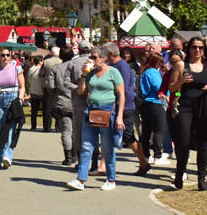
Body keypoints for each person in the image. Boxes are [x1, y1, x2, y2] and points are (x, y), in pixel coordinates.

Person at [66, 45, 125, 192]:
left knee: (107, 147)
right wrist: (83, 75)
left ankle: (111, 180)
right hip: (91, 111)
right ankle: (80, 179)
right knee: (86, 146)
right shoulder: (91, 73)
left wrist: (119, 116)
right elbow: (81, 91)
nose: (91, 60)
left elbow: (121, 94)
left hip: (108, 111)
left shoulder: (113, 72)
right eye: (90, 57)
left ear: (103, 58)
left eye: (94, 57)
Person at [168, 37, 207, 191]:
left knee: (203, 143)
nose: (197, 50)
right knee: (183, 143)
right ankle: (179, 172)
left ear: (204, 50)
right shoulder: (181, 65)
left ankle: (201, 180)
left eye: (201, 47)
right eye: (194, 47)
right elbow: (172, 88)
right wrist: (181, 81)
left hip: (203, 106)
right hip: (185, 106)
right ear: (188, 49)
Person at [105, 42, 150, 176]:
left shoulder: (122, 67)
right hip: (116, 106)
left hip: (125, 107)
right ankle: (103, 166)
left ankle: (143, 163)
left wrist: (120, 108)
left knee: (129, 136)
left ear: (111, 54)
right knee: (108, 135)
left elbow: (123, 90)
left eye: (104, 54)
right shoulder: (113, 65)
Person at [0, 47, 26, 169]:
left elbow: (22, 86)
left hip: (13, 99)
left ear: (10, 56)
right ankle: (1, 157)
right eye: (3, 55)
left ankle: (7, 156)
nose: (5, 57)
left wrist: (20, 99)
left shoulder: (16, 69)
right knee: (0, 129)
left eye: (7, 55)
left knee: (10, 128)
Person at [64, 39, 93, 169]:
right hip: (92, 101)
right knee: (93, 131)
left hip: (78, 102)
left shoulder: (72, 63)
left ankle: (81, 160)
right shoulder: (94, 62)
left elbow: (66, 82)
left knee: (78, 132)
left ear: (79, 50)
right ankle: (93, 161)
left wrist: (78, 89)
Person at [138, 52, 166, 171]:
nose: (161, 65)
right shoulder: (153, 72)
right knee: (159, 130)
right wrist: (168, 91)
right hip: (155, 103)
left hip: (145, 103)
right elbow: (159, 86)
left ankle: (146, 155)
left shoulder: (144, 72)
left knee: (146, 130)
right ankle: (157, 155)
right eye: (160, 63)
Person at [48, 47, 75, 165]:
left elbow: (50, 86)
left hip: (63, 102)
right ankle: (75, 154)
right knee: (76, 131)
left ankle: (68, 157)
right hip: (77, 101)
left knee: (66, 131)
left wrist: (56, 93)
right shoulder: (76, 66)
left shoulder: (56, 68)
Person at [43, 48, 62, 131]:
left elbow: (41, 73)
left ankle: (47, 127)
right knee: (59, 105)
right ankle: (58, 127)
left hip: (47, 85)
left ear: (52, 53)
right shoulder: (62, 61)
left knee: (47, 106)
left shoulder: (46, 61)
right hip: (59, 86)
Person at [28, 56, 47, 131]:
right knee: (45, 110)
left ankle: (33, 126)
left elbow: (29, 80)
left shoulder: (31, 69)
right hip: (42, 92)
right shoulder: (43, 70)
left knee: (34, 111)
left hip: (33, 91)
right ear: (40, 61)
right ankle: (45, 126)